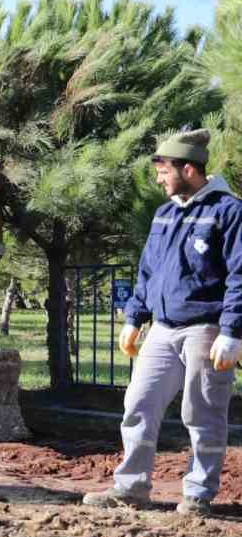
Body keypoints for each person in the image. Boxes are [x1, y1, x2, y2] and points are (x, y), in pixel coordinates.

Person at [83, 130, 242, 516]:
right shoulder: (165, 214)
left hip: (207, 329)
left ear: (188, 169)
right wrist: (135, 317)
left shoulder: (229, 211)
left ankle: (198, 494)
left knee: (202, 413)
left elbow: (241, 274)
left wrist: (232, 332)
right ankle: (130, 487)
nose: (158, 179)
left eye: (163, 171)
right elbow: (148, 271)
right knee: (138, 403)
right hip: (163, 329)